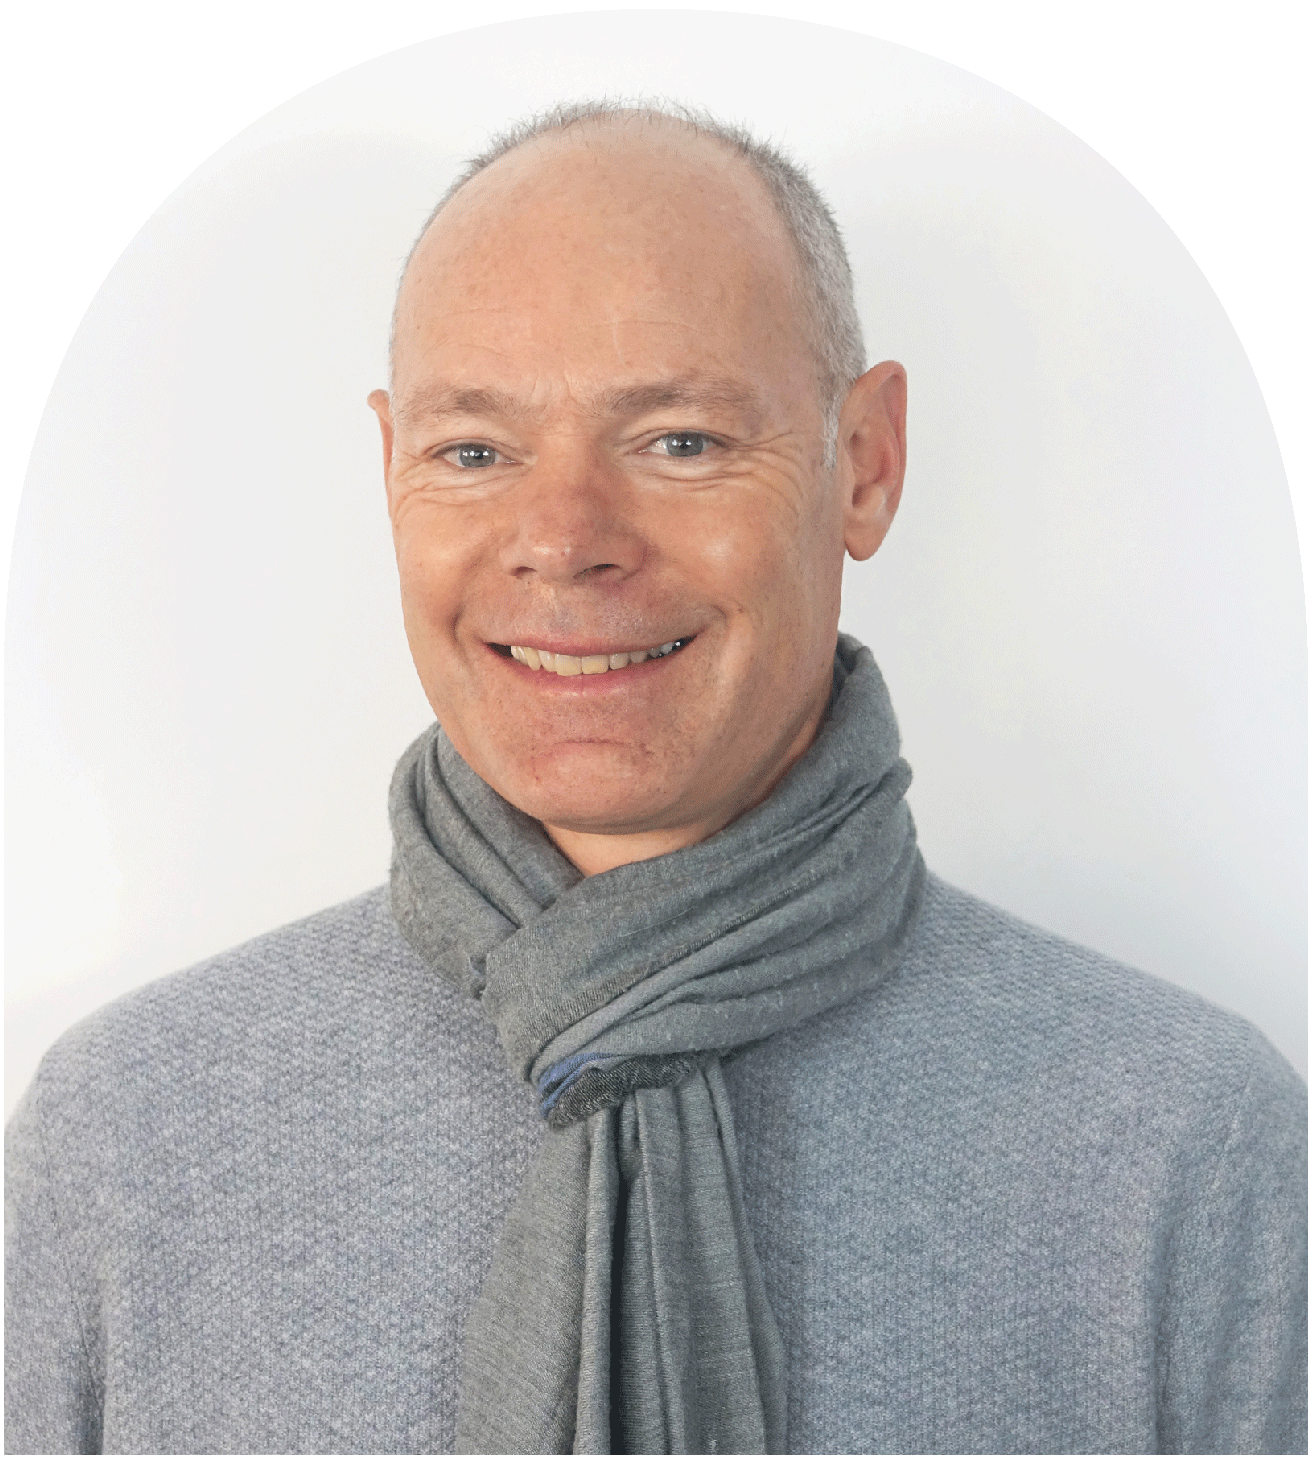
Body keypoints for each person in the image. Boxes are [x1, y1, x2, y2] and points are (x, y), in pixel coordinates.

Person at [5, 100, 1305, 1456]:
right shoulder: (129, 1139)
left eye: (679, 439)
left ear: (865, 465)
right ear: (390, 470)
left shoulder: (1182, 1147)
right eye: (473, 451)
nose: (562, 539)